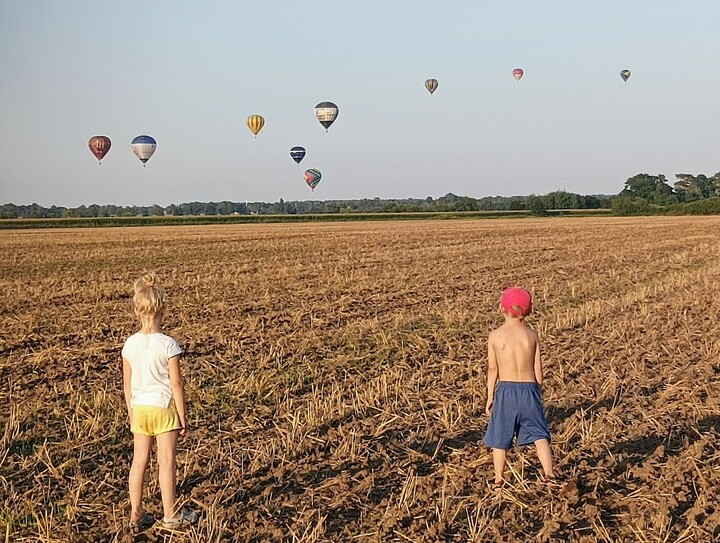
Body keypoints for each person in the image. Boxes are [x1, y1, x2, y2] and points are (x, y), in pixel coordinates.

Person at [122, 272, 198, 531]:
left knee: (139, 461)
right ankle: (171, 515)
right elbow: (176, 383)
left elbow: (127, 383)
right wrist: (183, 416)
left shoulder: (129, 345)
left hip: (140, 409)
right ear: (163, 309)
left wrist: (131, 411)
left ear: (136, 310)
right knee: (166, 461)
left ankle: (136, 513)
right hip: (164, 408)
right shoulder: (169, 344)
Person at [483, 286, 555, 489]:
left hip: (506, 391)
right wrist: (537, 391)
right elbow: (538, 367)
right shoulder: (531, 335)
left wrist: (490, 396)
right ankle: (549, 475)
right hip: (529, 389)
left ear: (501, 308)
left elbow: (492, 369)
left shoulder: (495, 336)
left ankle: (499, 480)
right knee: (540, 435)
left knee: (500, 437)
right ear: (528, 310)